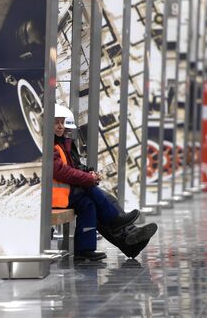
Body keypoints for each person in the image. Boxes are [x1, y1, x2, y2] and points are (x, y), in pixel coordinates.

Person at [52, 104, 158, 261]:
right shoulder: (49, 145)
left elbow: (74, 166)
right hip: (57, 195)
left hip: (68, 193)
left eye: (62, 122)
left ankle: (98, 247)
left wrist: (89, 172)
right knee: (94, 193)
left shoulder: (64, 142)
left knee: (91, 203)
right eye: (56, 122)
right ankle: (120, 225)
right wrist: (89, 178)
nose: (60, 126)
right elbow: (61, 171)